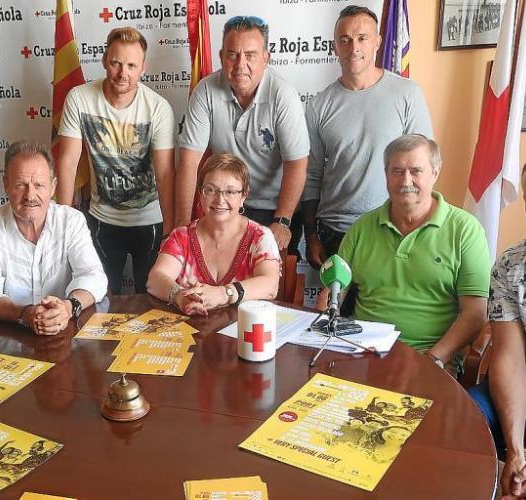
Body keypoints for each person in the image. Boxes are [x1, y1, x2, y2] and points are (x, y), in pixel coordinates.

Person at [338, 134, 490, 376]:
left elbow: (475, 314)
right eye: (397, 171)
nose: (405, 180)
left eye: (416, 171)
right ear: (386, 174)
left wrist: (433, 359)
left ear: (435, 173)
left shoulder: (465, 230)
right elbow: (333, 291)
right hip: (361, 353)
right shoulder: (362, 227)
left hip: (431, 359)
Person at [302, 5, 433, 270]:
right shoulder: (318, 106)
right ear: (334, 47)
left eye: (362, 38)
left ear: (377, 43)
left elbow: (424, 166)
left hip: (393, 230)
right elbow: (312, 176)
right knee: (334, 299)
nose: (354, 48)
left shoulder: (407, 94)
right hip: (335, 233)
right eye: (345, 40)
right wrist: (311, 236)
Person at [55, 27, 175, 294]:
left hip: (149, 221)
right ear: (104, 61)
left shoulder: (158, 108)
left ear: (143, 68)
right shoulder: (79, 98)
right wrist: (62, 223)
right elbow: (67, 163)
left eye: (132, 66)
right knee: (99, 299)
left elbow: (165, 173)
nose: (123, 73)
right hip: (102, 220)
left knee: (152, 300)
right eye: (116, 63)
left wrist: (170, 230)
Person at [175, 15, 309, 251]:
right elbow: (189, 162)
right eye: (232, 55)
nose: (240, 65)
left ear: (266, 58)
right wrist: (182, 227)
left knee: (270, 273)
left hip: (274, 208)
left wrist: (282, 220)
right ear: (221, 57)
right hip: (225, 205)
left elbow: (297, 164)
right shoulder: (205, 91)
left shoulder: (283, 96)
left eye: (250, 55)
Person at [0, 140, 107, 334]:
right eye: (20, 185)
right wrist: (25, 313)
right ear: (6, 185)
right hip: (9, 337)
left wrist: (68, 307)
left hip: (63, 332)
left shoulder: (71, 221)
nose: (30, 195)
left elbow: (93, 275)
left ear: (53, 187)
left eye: (39, 185)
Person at [147, 153, 280, 316]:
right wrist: (179, 296)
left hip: (243, 328)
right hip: (193, 329)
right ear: (200, 193)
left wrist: (225, 293)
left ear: (243, 196)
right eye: (210, 190)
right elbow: (155, 279)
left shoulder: (260, 236)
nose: (219, 200)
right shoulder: (182, 236)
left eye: (230, 192)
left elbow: (270, 285)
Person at [467, 166, 526, 498]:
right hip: (519, 387)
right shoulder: (510, 265)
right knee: (460, 415)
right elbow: (510, 359)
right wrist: (516, 450)